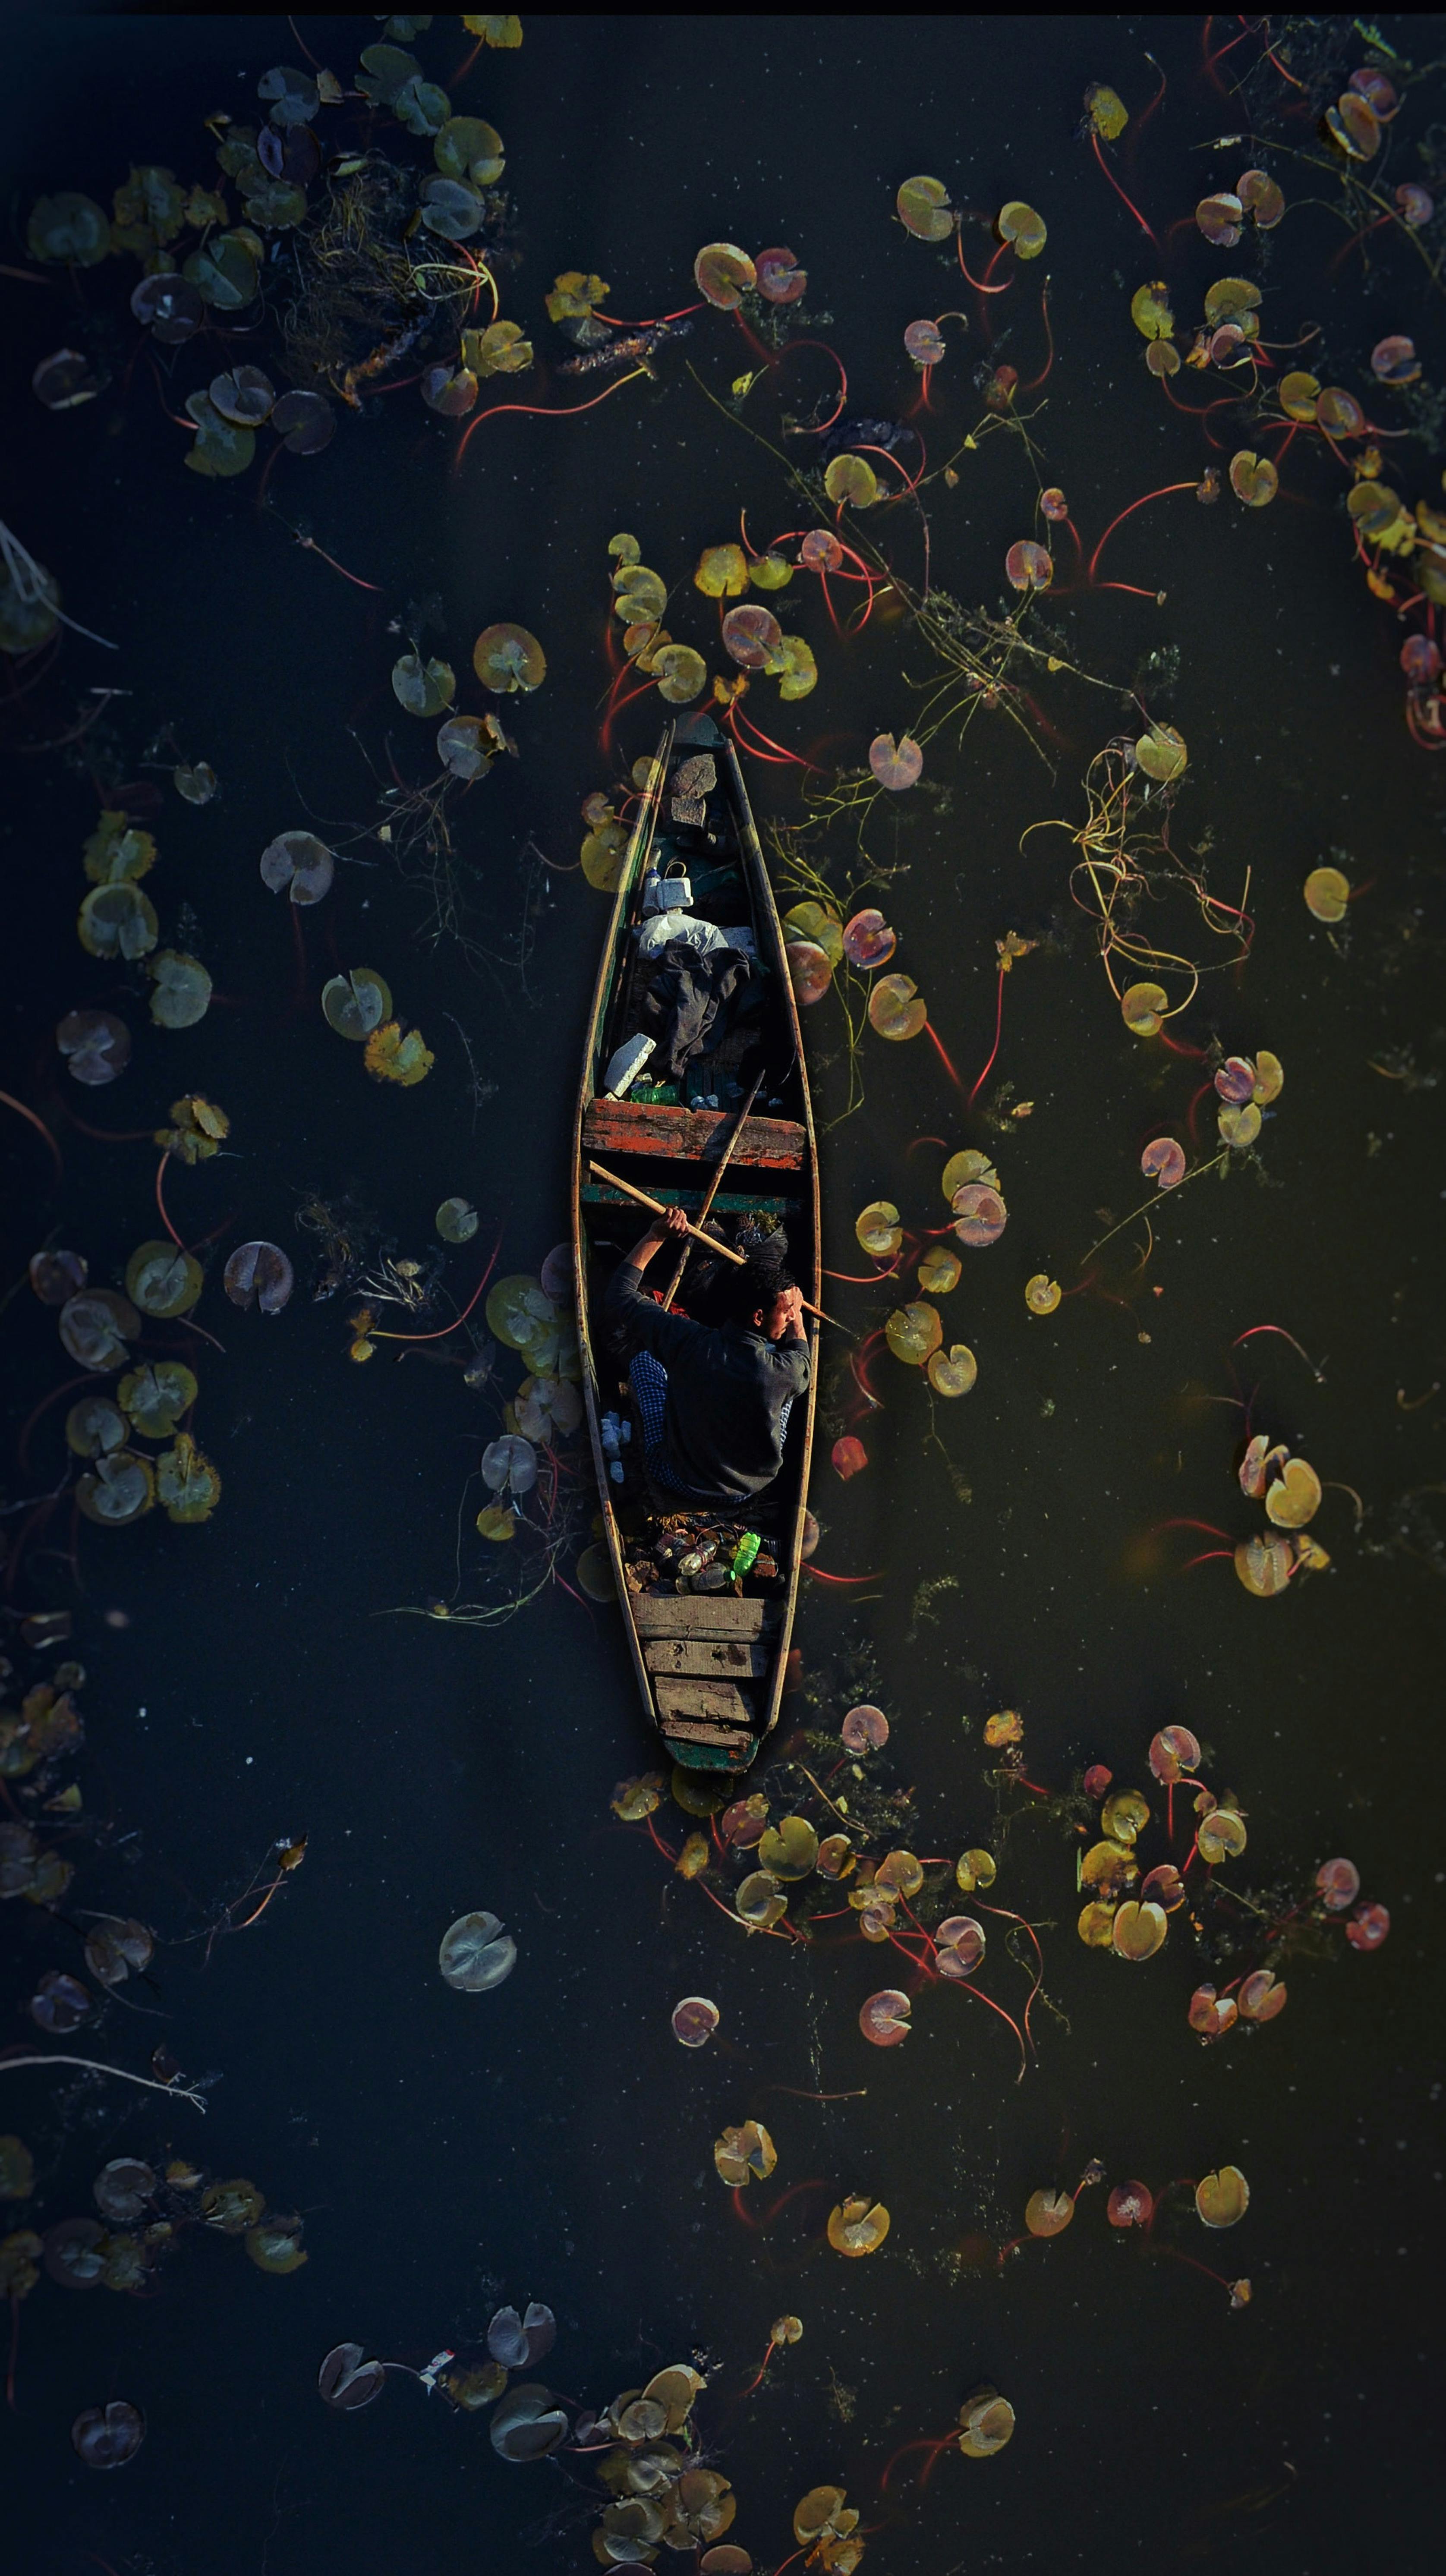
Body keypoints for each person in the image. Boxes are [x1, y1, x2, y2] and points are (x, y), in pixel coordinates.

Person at [604, 1205, 809, 1505]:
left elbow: (620, 1295)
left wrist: (656, 1234)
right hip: (747, 1489)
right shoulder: (785, 1370)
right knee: (788, 1392)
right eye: (786, 1313)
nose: (791, 1317)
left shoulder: (686, 1340)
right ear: (757, 1317)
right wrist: (800, 1319)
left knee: (646, 1360)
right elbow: (801, 1351)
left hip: (681, 1478)